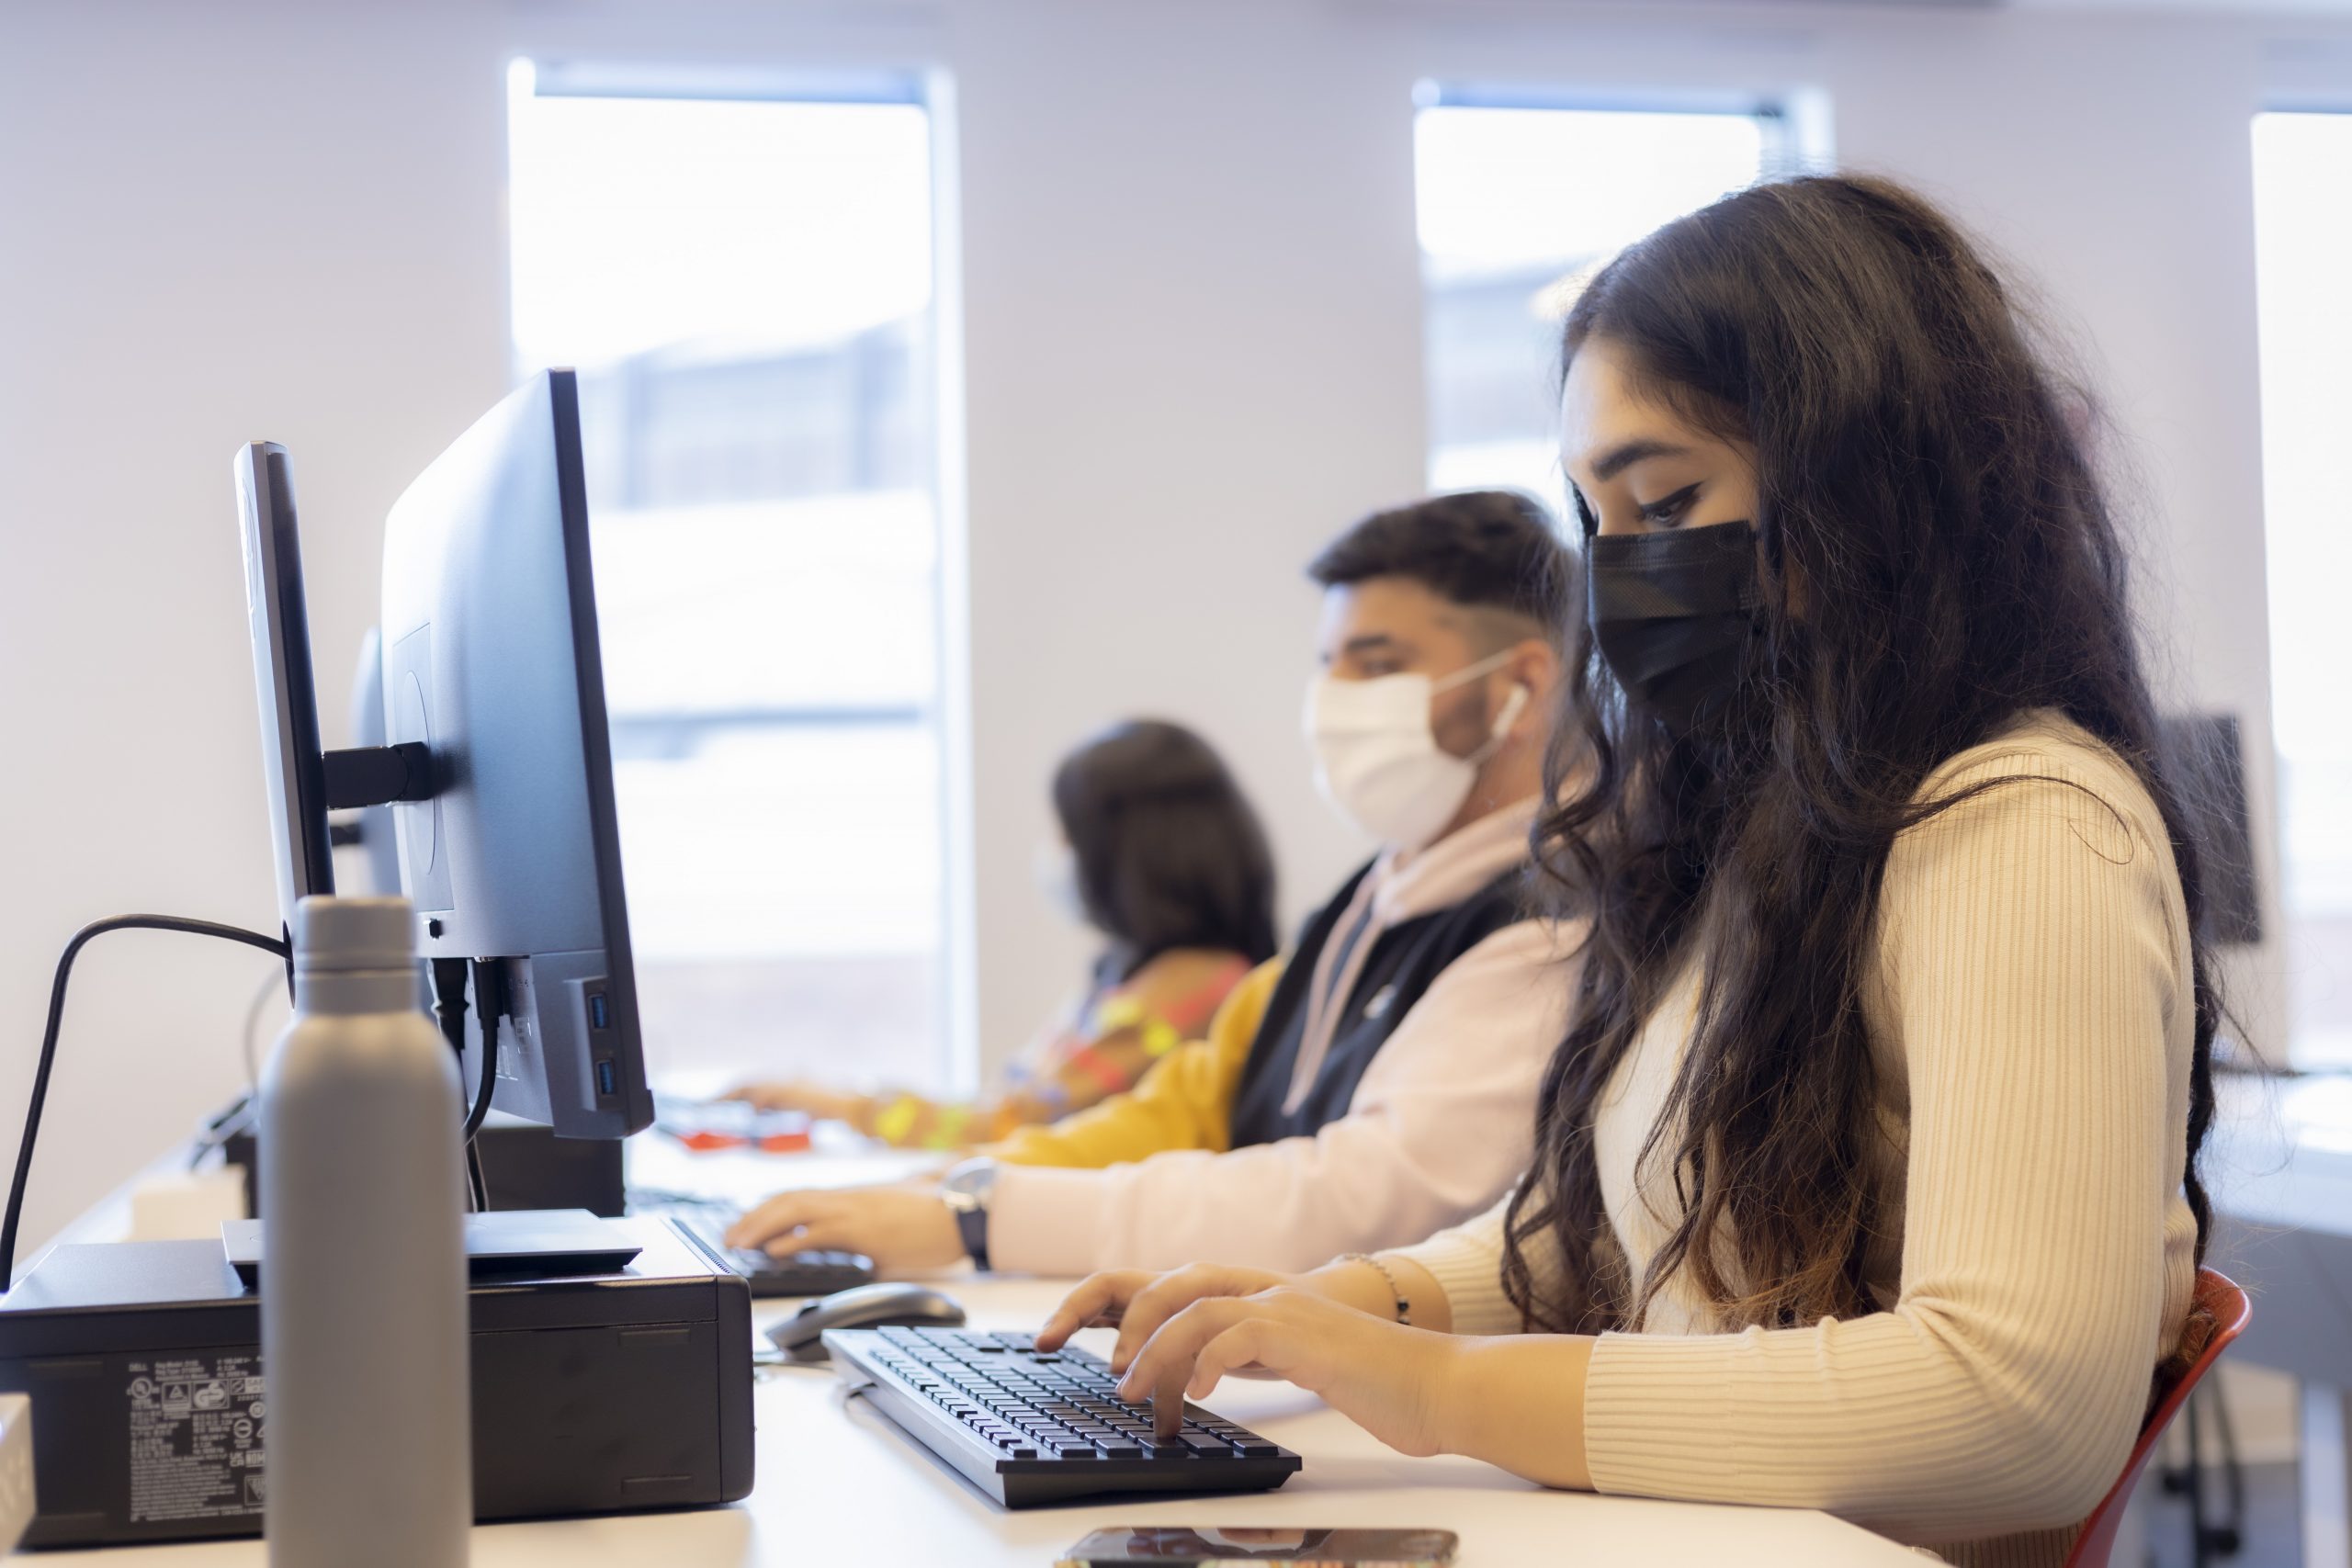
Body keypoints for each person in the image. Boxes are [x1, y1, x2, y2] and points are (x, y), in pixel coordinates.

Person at [1037, 175, 2222, 1568]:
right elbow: (1608, 1241)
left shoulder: (2022, 822)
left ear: (1868, 484)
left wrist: (1438, 1389)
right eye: (1598, 518)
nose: (1622, 573)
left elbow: (2022, 1406)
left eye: (1664, 500)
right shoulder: (1772, 835)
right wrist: (1334, 1303)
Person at [726, 490, 1581, 1276]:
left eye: (1376, 664)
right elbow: (1189, 1107)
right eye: (1329, 663)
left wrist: (976, 1216)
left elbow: (1355, 1198)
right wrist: (947, 1190)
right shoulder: (1371, 900)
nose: (1333, 698)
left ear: (1521, 686)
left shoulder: (1551, 925)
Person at [726, 719, 1276, 1149]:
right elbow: (1017, 1098)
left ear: (1128, 855)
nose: (1057, 854)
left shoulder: (1189, 994)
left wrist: (844, 1106)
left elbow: (1011, 1124)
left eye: (1069, 835)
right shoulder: (1140, 973)